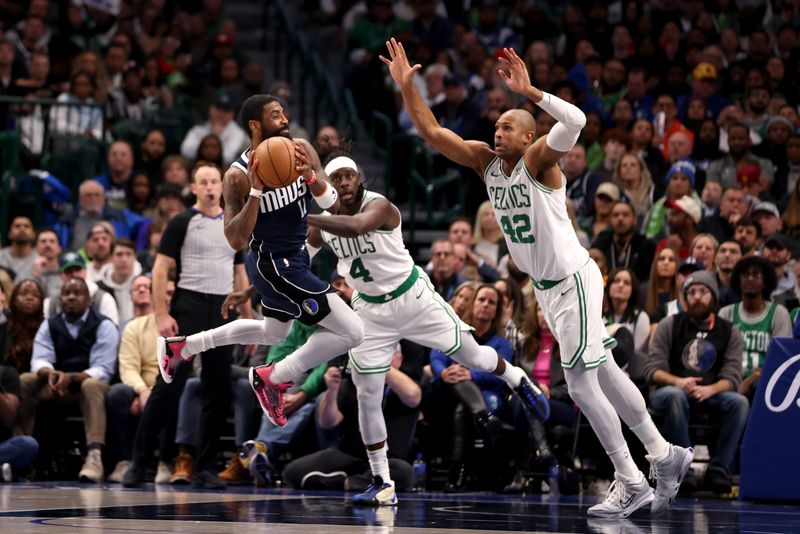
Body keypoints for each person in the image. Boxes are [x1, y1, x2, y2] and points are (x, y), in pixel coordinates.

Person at [385, 39, 690, 517]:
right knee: (605, 373)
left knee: (581, 382)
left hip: (575, 280)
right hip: (548, 290)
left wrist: (532, 93)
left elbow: (578, 123)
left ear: (528, 137)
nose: (498, 130)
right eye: (497, 125)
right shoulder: (487, 163)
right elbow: (431, 131)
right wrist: (407, 87)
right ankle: (665, 454)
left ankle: (630, 478)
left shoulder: (538, 163)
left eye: (508, 126)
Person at [306, 152, 545, 505]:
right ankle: (382, 481)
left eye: (348, 176)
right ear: (327, 184)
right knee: (367, 393)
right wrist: (254, 287)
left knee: (472, 355)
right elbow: (300, 258)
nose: (343, 183)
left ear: (359, 180)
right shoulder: (323, 223)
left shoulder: (381, 206)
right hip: (371, 310)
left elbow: (357, 227)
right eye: (336, 177)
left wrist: (304, 214)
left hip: (412, 297)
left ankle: (515, 377)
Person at [156, 94, 365, 437]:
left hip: (295, 257)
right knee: (353, 331)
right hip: (272, 263)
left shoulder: (299, 148)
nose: (284, 119)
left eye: (284, 112)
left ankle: (183, 346)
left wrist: (311, 176)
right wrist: (256, 192)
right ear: (255, 125)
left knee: (274, 332)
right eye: (274, 115)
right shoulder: (237, 176)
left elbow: (331, 203)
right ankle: (273, 377)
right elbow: (236, 240)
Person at [122, 162, 249, 489]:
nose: (209, 187)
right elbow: (161, 268)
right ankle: (139, 462)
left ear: (222, 187)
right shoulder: (181, 221)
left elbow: (239, 273)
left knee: (217, 389)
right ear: (193, 188)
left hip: (223, 308)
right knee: (168, 387)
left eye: (214, 182)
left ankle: (205, 467)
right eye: (203, 182)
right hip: (189, 304)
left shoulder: (232, 223)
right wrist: (162, 313)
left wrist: (247, 319)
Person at [645, 271, 749, 495]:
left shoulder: (729, 330)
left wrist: (711, 389)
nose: (697, 296)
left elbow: (732, 376)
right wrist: (679, 382)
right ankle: (684, 472)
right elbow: (652, 369)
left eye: (703, 291)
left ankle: (718, 470)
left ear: (713, 297)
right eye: (691, 292)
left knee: (739, 403)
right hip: (670, 391)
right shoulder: (669, 324)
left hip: (710, 392)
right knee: (675, 396)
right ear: (684, 298)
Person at [17, 278, 118, 483]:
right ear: (60, 298)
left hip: (89, 388)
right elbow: (39, 360)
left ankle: (94, 457)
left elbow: (103, 369)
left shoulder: (104, 325)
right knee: (26, 380)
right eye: (66, 293)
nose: (71, 297)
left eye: (77, 293)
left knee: (91, 385)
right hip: (57, 385)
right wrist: (51, 374)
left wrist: (71, 377)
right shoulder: (50, 324)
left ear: (89, 300)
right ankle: (22, 451)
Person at [719, 256, 792, 400]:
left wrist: (750, 380)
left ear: (765, 282)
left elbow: (781, 360)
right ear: (738, 281)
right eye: (745, 275)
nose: (750, 279)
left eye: (756, 275)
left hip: (765, 382)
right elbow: (720, 355)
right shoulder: (726, 313)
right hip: (731, 380)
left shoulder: (778, 313)